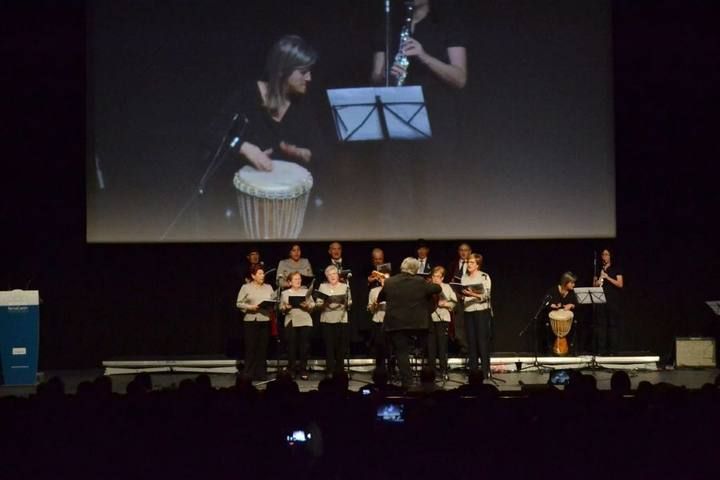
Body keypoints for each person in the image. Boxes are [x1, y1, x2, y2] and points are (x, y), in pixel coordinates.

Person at [379, 257, 441, 389]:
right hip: (418, 325)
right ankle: (427, 377)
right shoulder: (420, 281)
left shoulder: (390, 282)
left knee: (401, 352)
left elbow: (380, 297)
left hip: (396, 324)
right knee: (428, 342)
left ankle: (407, 383)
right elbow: (436, 289)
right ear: (416, 270)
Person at [236, 264, 275, 381]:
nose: (262, 275)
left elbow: (273, 302)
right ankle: (249, 374)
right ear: (253, 276)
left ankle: (261, 374)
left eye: (263, 273)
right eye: (260, 273)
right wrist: (250, 307)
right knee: (251, 348)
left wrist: (270, 306)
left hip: (264, 320)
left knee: (262, 348)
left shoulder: (268, 287)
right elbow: (238, 303)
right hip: (251, 321)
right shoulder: (246, 287)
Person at [316, 265, 352, 376]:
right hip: (327, 319)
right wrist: (325, 303)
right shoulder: (322, 287)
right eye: (329, 274)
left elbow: (350, 303)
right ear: (327, 276)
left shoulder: (345, 286)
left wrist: (345, 302)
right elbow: (318, 304)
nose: (332, 276)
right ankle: (330, 370)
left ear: (338, 275)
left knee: (341, 347)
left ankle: (340, 371)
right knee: (329, 346)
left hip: (341, 319)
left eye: (334, 274)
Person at [462, 253, 493, 379]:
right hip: (468, 310)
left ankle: (485, 372)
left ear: (477, 264)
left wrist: (472, 294)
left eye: (471, 262)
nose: (469, 264)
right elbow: (463, 294)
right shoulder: (464, 277)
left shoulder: (484, 276)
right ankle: (473, 373)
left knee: (482, 341)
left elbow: (486, 295)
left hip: (481, 311)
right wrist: (462, 294)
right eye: (468, 262)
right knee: (471, 342)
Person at [280, 271, 315, 380]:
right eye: (295, 279)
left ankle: (303, 370)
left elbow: (313, 304)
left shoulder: (306, 292)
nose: (298, 281)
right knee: (291, 347)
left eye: (299, 279)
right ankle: (291, 369)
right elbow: (281, 308)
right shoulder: (285, 293)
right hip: (291, 320)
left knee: (304, 347)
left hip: (305, 320)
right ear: (290, 282)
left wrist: (308, 305)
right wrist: (286, 307)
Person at [427, 266, 457, 379]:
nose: (435, 279)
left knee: (442, 346)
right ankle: (431, 372)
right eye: (434, 276)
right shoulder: (428, 288)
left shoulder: (447, 287)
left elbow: (454, 302)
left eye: (438, 277)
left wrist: (444, 304)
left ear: (442, 277)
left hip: (442, 319)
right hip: (430, 319)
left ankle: (443, 371)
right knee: (431, 346)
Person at [593, 248, 624, 354]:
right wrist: (600, 277)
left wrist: (608, 277)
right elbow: (594, 285)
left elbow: (620, 284)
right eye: (603, 254)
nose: (604, 256)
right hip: (601, 300)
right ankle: (601, 350)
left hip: (613, 301)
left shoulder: (616, 268)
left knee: (612, 325)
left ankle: (613, 350)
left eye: (607, 254)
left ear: (610, 256)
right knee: (601, 325)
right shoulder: (598, 269)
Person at [544, 272, 579, 355]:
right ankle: (550, 350)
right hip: (553, 319)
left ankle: (571, 350)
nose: (573, 285)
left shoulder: (573, 293)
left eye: (574, 283)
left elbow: (579, 304)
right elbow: (545, 302)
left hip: (569, 320)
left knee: (577, 320)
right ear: (565, 282)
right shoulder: (553, 290)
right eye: (572, 283)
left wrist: (572, 305)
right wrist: (552, 305)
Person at [447, 242, 472, 353]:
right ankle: (462, 347)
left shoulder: (473, 265)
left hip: (470, 299)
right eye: (461, 250)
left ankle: (471, 347)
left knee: (469, 324)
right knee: (458, 325)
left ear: (470, 252)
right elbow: (448, 281)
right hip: (456, 298)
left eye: (466, 250)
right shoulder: (453, 265)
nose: (463, 252)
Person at [367, 274, 390, 372]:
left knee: (390, 348)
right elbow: (370, 309)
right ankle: (380, 370)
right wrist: (374, 306)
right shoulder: (374, 291)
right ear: (380, 280)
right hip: (378, 321)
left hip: (391, 322)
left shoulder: (395, 290)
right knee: (379, 347)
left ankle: (391, 369)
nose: (384, 280)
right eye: (382, 279)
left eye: (386, 279)